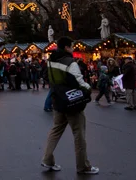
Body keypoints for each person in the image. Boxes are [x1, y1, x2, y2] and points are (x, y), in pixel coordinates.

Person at [41, 37, 99, 175]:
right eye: (71, 46)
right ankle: (83, 166)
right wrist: (88, 88)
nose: (73, 49)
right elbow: (79, 81)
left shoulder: (50, 61)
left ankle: (47, 159)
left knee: (55, 130)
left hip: (57, 100)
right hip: (72, 101)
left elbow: (46, 77)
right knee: (79, 133)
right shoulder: (70, 62)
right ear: (67, 47)